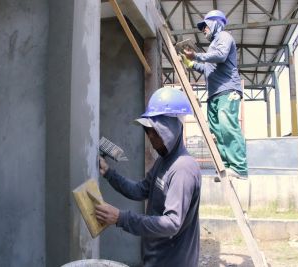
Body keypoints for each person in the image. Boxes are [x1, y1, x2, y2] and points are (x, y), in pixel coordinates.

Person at [95, 87, 202, 267]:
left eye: (155, 130)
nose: (150, 136)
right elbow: (140, 190)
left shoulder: (183, 169)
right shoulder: (163, 161)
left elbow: (171, 223)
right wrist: (108, 173)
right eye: (147, 130)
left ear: (171, 128)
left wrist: (121, 218)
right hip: (155, 257)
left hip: (173, 262)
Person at [181, 10, 248, 180]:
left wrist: (196, 55)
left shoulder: (224, 36)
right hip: (214, 95)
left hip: (227, 90)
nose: (203, 30)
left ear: (216, 23)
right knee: (218, 131)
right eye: (202, 27)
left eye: (205, 26)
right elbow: (206, 69)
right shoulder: (212, 46)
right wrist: (191, 63)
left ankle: (239, 167)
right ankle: (227, 166)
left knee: (227, 126)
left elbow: (220, 55)